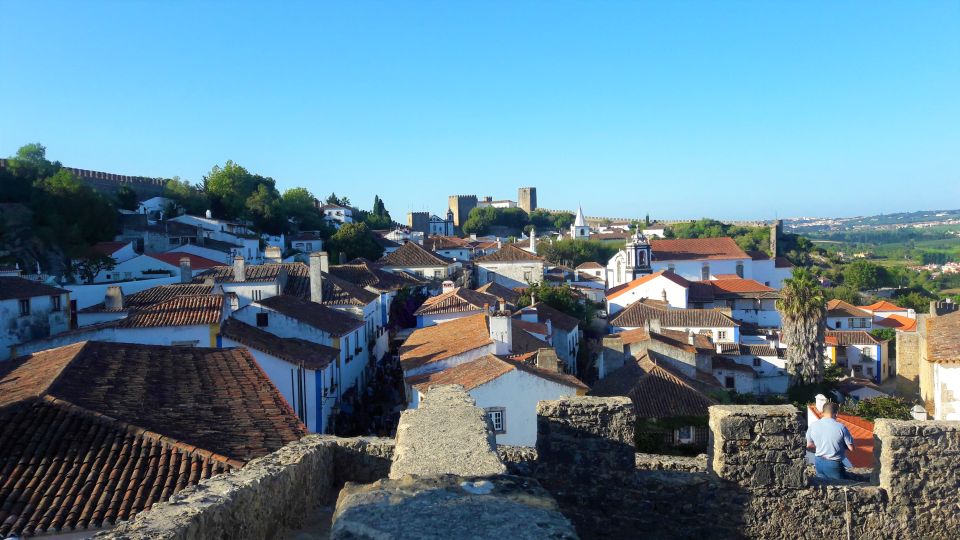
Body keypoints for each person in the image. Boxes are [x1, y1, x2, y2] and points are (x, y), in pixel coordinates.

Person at [805, 402, 854, 480]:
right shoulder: (841, 427)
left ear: (822, 412)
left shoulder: (812, 426)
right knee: (839, 486)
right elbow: (851, 448)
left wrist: (820, 448)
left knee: (823, 486)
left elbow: (809, 446)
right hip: (833, 463)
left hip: (818, 461)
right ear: (836, 413)